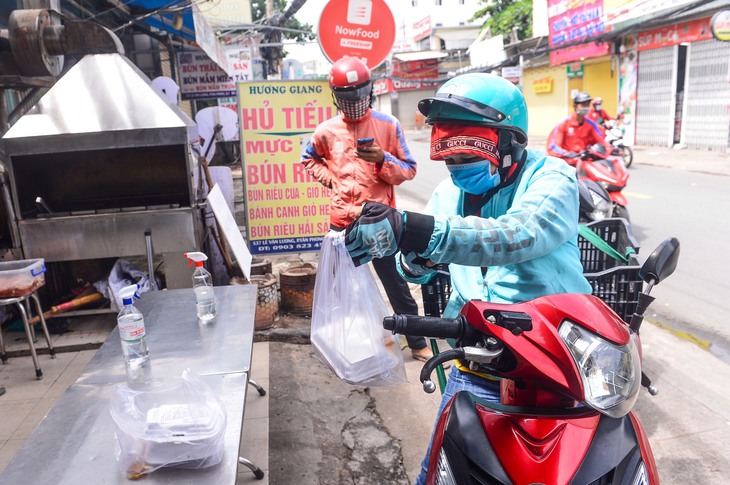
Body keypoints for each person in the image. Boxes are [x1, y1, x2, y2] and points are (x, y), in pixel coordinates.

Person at [344, 73, 592, 484]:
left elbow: (518, 235)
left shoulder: (552, 179)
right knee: (444, 469)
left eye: (467, 160)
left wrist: (417, 230)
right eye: (451, 161)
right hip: (479, 354)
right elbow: (415, 270)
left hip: (557, 355)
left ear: (509, 144)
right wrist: (406, 250)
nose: (458, 171)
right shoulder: (445, 194)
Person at [300, 56, 435, 363]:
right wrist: (332, 180)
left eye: (359, 98)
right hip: (342, 221)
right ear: (336, 98)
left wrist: (381, 159)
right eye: (347, 100)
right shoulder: (326, 131)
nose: (354, 106)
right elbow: (308, 159)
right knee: (337, 287)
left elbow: (409, 170)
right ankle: (338, 341)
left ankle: (416, 341)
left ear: (370, 92)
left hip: (380, 223)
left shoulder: (389, 125)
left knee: (396, 286)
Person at [546, 91, 613, 164]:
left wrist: (610, 148)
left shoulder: (591, 124)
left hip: (584, 162)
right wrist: (566, 153)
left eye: (587, 105)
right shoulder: (563, 124)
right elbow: (553, 147)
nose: (586, 107)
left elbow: (601, 140)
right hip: (567, 164)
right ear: (575, 106)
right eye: (583, 105)